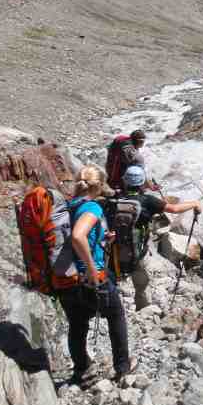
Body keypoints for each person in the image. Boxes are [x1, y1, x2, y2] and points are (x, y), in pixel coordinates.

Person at [56, 165, 135, 385]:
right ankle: (122, 367)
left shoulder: (68, 206)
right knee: (116, 316)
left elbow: (79, 236)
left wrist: (103, 239)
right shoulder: (92, 207)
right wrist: (92, 270)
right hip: (91, 278)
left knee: (78, 324)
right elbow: (78, 236)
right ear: (98, 185)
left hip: (67, 278)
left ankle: (82, 371)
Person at [110, 165, 203, 311]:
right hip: (137, 251)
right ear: (142, 183)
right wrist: (195, 203)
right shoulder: (148, 200)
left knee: (116, 276)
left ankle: (113, 306)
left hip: (115, 249)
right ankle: (143, 309)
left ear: (125, 182)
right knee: (141, 281)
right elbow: (174, 209)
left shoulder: (116, 198)